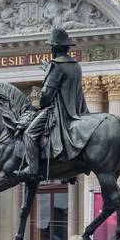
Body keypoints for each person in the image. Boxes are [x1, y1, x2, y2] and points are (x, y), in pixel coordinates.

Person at [16, 27, 90, 182]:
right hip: (78, 110)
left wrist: (38, 97)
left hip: (59, 111)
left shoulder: (56, 65)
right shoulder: (75, 65)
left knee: (29, 134)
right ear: (67, 48)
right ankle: (70, 172)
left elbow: (46, 96)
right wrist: (48, 70)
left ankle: (32, 169)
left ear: (54, 48)